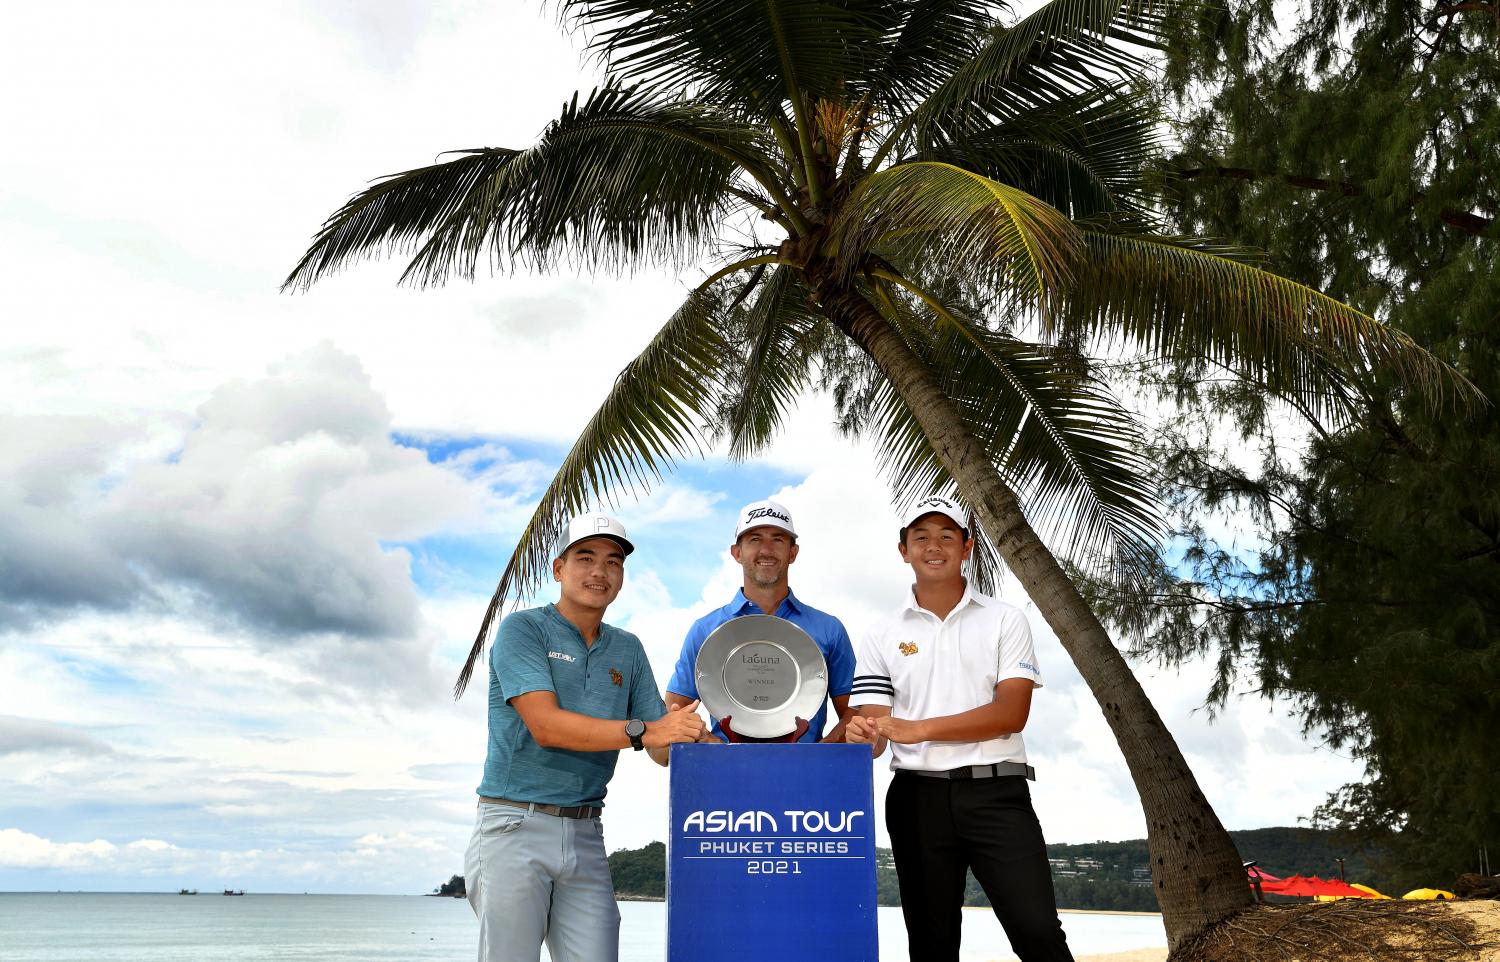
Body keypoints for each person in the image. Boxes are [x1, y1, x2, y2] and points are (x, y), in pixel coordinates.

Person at [464, 513, 705, 962]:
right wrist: (649, 730)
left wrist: (692, 733)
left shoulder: (627, 647)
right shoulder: (524, 629)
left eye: (613, 562)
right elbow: (547, 726)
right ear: (558, 568)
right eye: (585, 557)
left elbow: (662, 748)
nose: (599, 571)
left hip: (586, 832)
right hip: (513, 824)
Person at [846, 496, 1073, 962]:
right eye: (921, 537)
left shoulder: (1005, 618)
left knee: (1037, 933)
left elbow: (1011, 713)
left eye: (947, 536)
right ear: (903, 550)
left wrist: (919, 728)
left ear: (967, 547)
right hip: (916, 800)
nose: (935, 546)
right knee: (932, 945)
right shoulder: (880, 633)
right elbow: (875, 730)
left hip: (997, 793)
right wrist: (863, 735)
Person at [666, 499, 857, 743]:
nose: (766, 550)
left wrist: (821, 753)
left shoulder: (829, 629)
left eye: (777, 539)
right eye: (755, 539)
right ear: (737, 552)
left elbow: (854, 714)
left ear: (793, 552)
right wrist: (702, 738)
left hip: (806, 777)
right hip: (725, 773)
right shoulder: (704, 630)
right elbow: (673, 714)